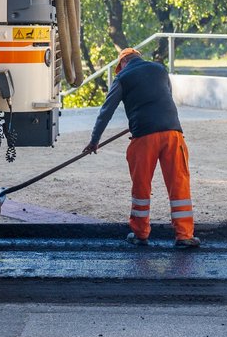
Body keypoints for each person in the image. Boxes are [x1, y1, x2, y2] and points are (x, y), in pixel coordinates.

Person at [84, 47, 200, 248]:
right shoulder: (160, 70)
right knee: (179, 183)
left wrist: (95, 140)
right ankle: (184, 236)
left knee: (141, 186)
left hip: (144, 136)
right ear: (138, 57)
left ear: (123, 63)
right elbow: (165, 97)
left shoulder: (122, 78)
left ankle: (140, 234)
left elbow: (106, 112)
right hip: (173, 133)